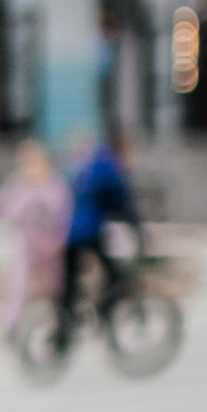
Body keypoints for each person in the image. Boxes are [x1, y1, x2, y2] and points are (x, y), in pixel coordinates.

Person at [59, 125, 144, 325]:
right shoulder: (108, 168)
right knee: (114, 275)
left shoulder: (93, 164)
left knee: (71, 282)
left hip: (71, 230)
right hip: (87, 231)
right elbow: (121, 201)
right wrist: (137, 227)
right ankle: (101, 311)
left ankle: (66, 322)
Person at [0, 138, 69, 339]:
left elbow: (63, 213)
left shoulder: (54, 184)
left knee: (56, 285)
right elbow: (6, 206)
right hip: (27, 242)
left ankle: (61, 320)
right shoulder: (20, 184)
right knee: (18, 283)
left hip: (50, 243)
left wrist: (59, 239)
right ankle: (11, 322)